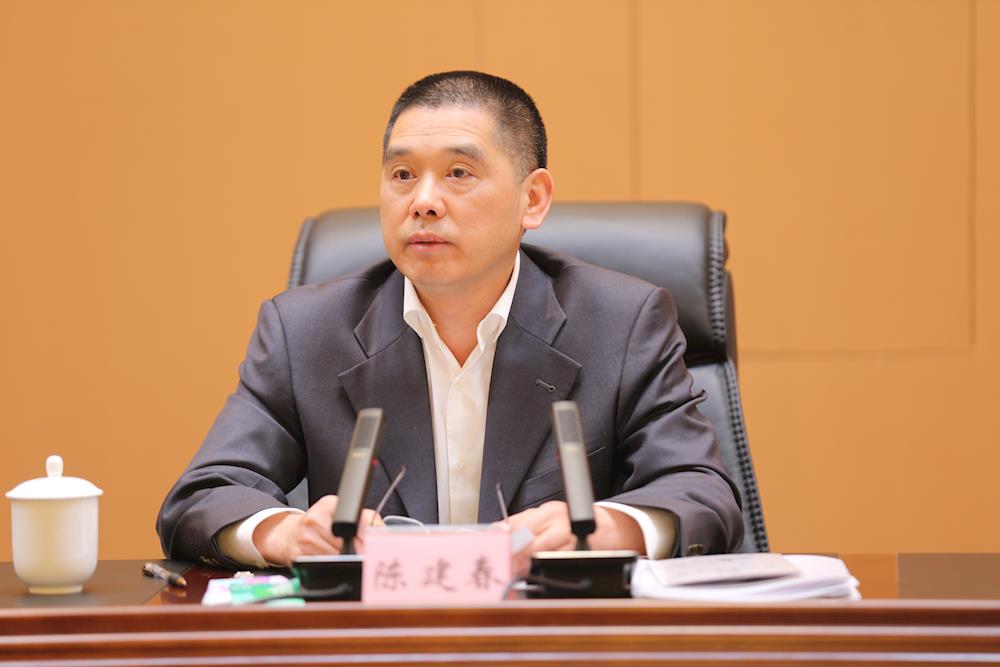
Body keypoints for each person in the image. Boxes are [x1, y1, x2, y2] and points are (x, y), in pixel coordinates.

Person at [157, 71, 743, 569]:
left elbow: (702, 492)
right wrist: (285, 534)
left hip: (552, 640)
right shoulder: (304, 332)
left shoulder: (621, 323)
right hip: (378, 642)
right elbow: (204, 495)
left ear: (533, 199)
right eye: (402, 175)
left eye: (459, 173)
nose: (424, 201)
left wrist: (608, 528)